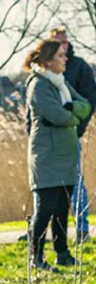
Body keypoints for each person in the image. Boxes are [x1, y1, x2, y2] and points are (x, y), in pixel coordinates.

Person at [24, 38, 92, 270]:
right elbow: (58, 116)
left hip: (66, 155)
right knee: (45, 209)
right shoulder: (39, 85)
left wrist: (72, 110)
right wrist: (73, 117)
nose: (66, 59)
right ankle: (36, 258)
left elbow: (84, 104)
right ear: (48, 60)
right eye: (61, 56)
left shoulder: (61, 83)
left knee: (63, 207)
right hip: (47, 156)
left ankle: (62, 252)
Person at [51, 28, 96, 244]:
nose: (62, 47)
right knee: (46, 184)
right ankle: (41, 228)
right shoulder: (44, 69)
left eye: (64, 43)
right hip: (48, 139)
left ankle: (82, 228)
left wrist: (79, 128)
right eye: (57, 43)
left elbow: (90, 101)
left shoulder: (79, 67)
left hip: (71, 135)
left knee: (76, 181)